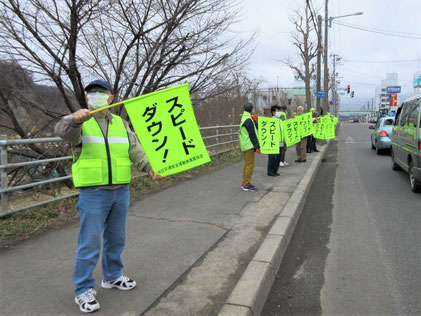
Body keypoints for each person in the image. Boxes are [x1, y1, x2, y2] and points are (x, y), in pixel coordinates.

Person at [54, 79, 160, 313]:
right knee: (89, 244)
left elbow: (135, 149)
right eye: (91, 92)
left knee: (116, 239)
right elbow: (61, 131)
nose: (96, 95)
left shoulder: (121, 124)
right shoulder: (81, 123)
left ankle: (112, 276)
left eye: (101, 92)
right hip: (93, 193)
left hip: (121, 191)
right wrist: (73, 119)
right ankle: (83, 289)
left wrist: (149, 167)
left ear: (111, 97)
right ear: (86, 97)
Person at [239, 102, 260, 191]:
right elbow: (252, 134)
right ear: (251, 109)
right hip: (248, 145)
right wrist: (257, 146)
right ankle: (246, 184)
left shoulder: (245, 118)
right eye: (253, 109)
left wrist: (255, 121)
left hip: (245, 144)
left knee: (247, 165)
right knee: (250, 165)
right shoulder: (248, 120)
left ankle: (244, 183)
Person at [267, 105, 282, 176]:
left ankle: (275, 170)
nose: (279, 112)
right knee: (273, 158)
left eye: (279, 111)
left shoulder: (280, 120)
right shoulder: (271, 121)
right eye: (277, 111)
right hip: (273, 142)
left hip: (280, 142)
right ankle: (271, 171)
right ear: (273, 113)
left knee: (278, 158)